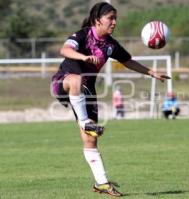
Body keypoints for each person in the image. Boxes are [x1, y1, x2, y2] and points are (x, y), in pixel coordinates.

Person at [51, 2, 170, 197]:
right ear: (97, 20)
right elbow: (64, 50)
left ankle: (102, 183)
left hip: (87, 92)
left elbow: (127, 61)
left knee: (90, 140)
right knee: (76, 79)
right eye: (110, 18)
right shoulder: (82, 35)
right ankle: (85, 122)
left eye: (115, 18)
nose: (114, 22)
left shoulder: (110, 45)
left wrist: (151, 72)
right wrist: (83, 58)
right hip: (63, 82)